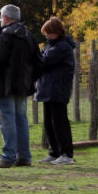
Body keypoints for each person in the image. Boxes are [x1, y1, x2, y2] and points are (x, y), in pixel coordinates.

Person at [0, 4, 42, 168]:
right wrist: (30, 80)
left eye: (0, 17)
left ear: (6, 18)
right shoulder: (29, 36)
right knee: (21, 120)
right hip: (23, 86)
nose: (0, 20)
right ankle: (24, 156)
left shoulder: (5, 36)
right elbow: (39, 62)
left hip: (5, 85)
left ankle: (8, 157)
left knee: (7, 121)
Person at [36, 17, 76, 165]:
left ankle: (66, 153)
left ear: (56, 32)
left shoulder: (62, 47)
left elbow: (44, 62)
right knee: (49, 122)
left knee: (59, 122)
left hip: (57, 89)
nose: (47, 36)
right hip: (49, 88)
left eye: (49, 33)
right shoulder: (51, 45)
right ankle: (55, 152)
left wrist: (37, 56)